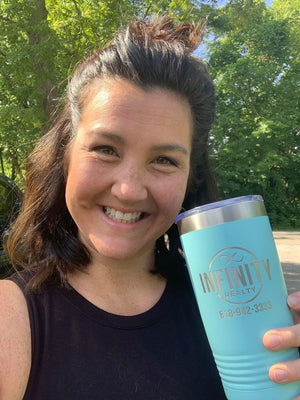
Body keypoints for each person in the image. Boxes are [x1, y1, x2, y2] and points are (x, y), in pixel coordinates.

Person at [0, 17, 299, 400]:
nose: (127, 189)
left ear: (190, 176)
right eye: (105, 149)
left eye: (164, 160)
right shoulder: (12, 321)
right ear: (64, 157)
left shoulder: (239, 317)